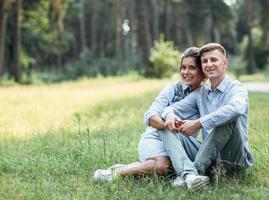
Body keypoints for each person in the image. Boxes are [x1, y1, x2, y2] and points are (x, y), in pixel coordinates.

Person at [93, 47, 206, 182]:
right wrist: (168, 125)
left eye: (192, 68)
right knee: (162, 167)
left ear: (202, 71)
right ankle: (116, 173)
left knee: (181, 168)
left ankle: (139, 167)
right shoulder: (172, 89)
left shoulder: (206, 95)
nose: (186, 72)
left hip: (182, 144)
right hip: (156, 138)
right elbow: (151, 115)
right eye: (183, 68)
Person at [159, 43, 254, 190]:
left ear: (225, 63)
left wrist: (198, 123)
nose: (209, 64)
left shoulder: (236, 88)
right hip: (210, 159)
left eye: (213, 60)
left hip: (233, 160)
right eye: (205, 61)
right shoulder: (201, 93)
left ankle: (193, 172)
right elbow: (169, 109)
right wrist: (169, 115)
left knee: (228, 117)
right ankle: (190, 176)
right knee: (164, 125)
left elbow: (237, 109)